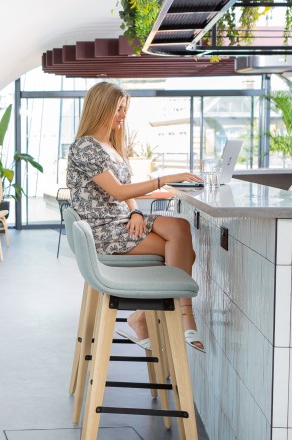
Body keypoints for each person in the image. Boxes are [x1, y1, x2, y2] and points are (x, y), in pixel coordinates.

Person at [66, 81, 206, 353]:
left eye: (124, 109)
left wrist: (137, 211)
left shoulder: (110, 146)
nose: (123, 115)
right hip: (103, 232)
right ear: (101, 109)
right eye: (118, 109)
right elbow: (118, 191)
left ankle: (143, 317)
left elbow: (125, 193)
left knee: (180, 227)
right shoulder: (85, 147)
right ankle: (182, 316)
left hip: (121, 222)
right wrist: (164, 179)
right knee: (181, 251)